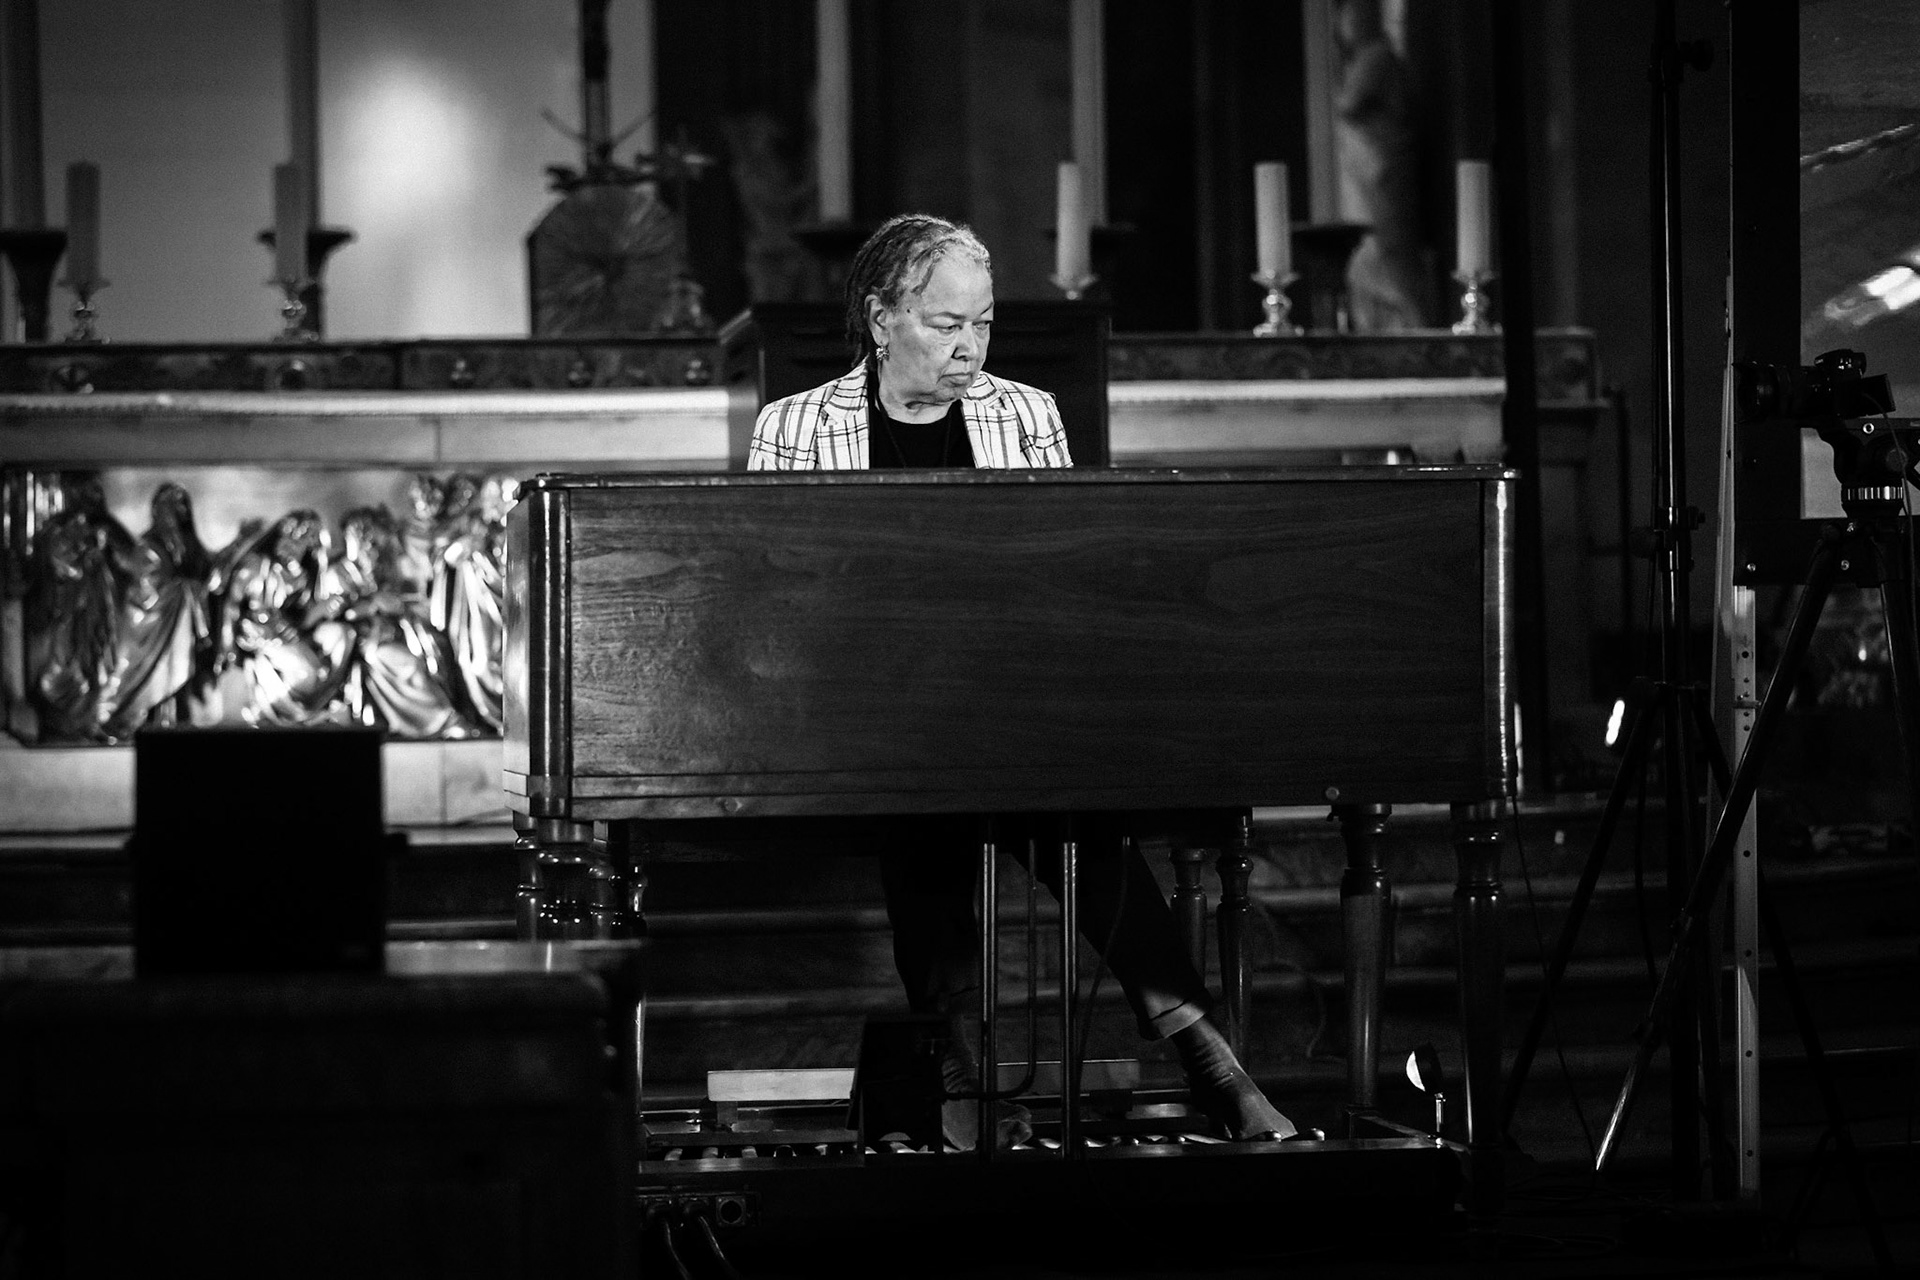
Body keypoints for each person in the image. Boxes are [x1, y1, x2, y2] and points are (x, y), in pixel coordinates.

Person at [748, 213, 1297, 1147]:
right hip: (869, 717)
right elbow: (772, 604)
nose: (971, 349)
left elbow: (1064, 581)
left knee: (1076, 813)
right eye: (947, 325)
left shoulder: (1028, 415)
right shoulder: (794, 428)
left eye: (984, 324)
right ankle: (956, 1047)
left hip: (1010, 702)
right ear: (882, 320)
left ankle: (1205, 1052)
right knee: (922, 792)